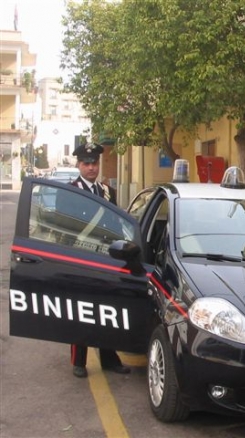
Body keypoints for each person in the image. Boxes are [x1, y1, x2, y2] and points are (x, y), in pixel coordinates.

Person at [68, 142, 130, 378]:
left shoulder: (108, 192)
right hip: (81, 259)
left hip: (105, 259)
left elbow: (115, 226)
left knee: (106, 310)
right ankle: (79, 361)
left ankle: (108, 359)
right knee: (81, 310)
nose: (91, 167)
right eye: (86, 163)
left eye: (94, 163)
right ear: (78, 165)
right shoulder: (70, 191)